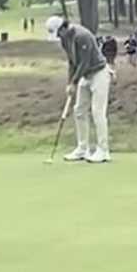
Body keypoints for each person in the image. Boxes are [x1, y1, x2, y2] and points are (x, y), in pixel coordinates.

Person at [46, 15, 112, 164]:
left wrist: (74, 82)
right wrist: (69, 82)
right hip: (85, 75)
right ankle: (83, 148)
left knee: (97, 112)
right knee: (79, 110)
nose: (57, 37)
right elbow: (72, 62)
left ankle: (103, 150)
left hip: (99, 73)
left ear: (63, 27)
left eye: (58, 33)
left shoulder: (82, 36)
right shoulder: (65, 39)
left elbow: (84, 62)